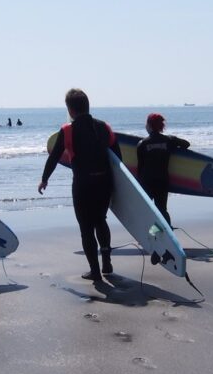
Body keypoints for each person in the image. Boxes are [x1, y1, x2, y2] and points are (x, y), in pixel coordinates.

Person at [39, 88, 122, 281]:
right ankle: (106, 263)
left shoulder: (67, 130)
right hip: (104, 182)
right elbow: (118, 159)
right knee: (101, 220)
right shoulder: (105, 127)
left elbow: (54, 156)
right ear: (88, 105)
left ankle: (95, 271)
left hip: (83, 185)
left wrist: (45, 179)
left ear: (70, 109)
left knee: (86, 227)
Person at [136, 113, 190, 226]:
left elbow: (140, 167)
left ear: (149, 125)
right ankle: (166, 234)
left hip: (147, 181)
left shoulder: (142, 144)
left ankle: (151, 235)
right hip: (162, 180)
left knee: (146, 209)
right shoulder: (169, 140)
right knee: (162, 209)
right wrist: (174, 146)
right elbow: (186, 144)